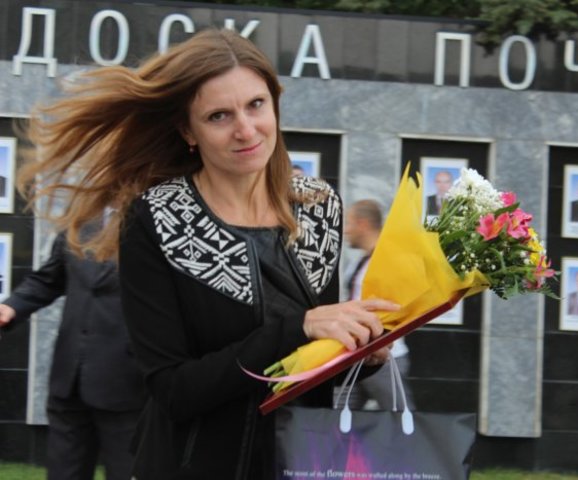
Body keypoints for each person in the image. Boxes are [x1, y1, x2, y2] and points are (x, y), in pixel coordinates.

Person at [17, 28, 398, 479]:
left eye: (256, 105)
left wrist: (360, 354)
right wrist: (299, 327)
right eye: (219, 116)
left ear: (275, 104)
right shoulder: (156, 219)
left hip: (296, 462)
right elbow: (173, 390)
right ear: (188, 131)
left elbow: (311, 367)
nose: (245, 129)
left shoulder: (320, 206)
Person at [0, 228, 145, 480]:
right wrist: (11, 307)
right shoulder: (82, 220)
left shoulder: (158, 222)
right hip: (69, 378)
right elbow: (50, 278)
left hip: (128, 382)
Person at [342, 199, 414, 410]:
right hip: (355, 355)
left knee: (401, 418)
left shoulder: (388, 260)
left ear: (362, 224)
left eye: (349, 223)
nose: (346, 231)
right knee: (336, 416)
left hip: (383, 357)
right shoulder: (362, 260)